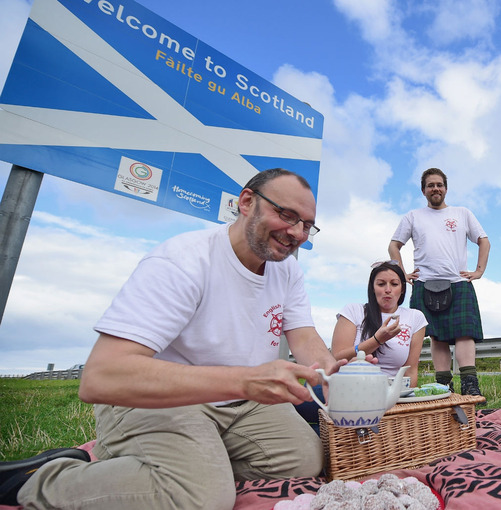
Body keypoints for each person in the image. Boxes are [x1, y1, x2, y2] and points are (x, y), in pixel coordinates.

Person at [1, 168, 356, 509]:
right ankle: (40, 480)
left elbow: (304, 334)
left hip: (236, 402)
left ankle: (180, 467)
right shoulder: (183, 259)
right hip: (161, 401)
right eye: (287, 215)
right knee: (201, 499)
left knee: (306, 461)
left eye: (307, 225)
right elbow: (100, 378)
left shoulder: (287, 268)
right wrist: (245, 381)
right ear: (247, 202)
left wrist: (329, 368)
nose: (298, 233)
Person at [389, 168, 490, 397]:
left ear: (445, 188)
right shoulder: (413, 216)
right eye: (430, 185)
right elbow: (394, 245)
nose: (435, 188)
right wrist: (401, 273)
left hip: (458, 282)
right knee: (436, 336)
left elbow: (484, 241)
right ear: (423, 190)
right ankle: (443, 385)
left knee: (465, 334)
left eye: (439, 184)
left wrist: (479, 271)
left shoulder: (462, 213)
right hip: (425, 282)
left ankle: (470, 384)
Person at [295, 260, 428, 431]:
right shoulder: (354, 311)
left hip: (385, 394)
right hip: (347, 386)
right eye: (381, 284)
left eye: (394, 284)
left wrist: (405, 406)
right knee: (299, 404)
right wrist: (376, 340)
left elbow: (410, 370)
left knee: (329, 429)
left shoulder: (414, 317)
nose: (388, 289)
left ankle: (323, 439)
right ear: (372, 287)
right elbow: (337, 358)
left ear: (402, 288)